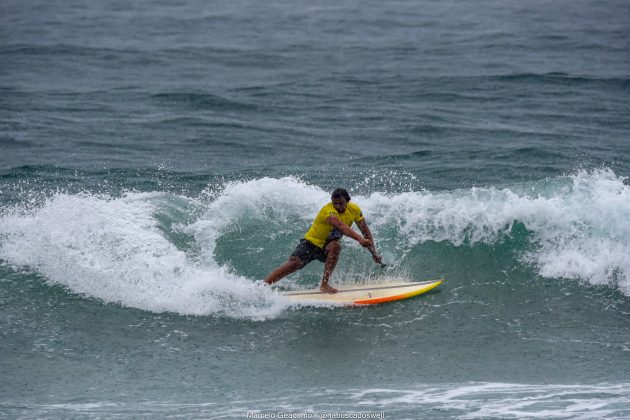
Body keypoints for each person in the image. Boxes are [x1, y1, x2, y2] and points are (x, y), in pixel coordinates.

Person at [264, 188, 382, 293]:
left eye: (341, 203)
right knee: (293, 264)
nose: (338, 206)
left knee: (335, 246)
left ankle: (324, 285)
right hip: (310, 244)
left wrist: (374, 254)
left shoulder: (354, 210)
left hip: (326, 247)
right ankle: (263, 287)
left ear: (347, 200)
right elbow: (341, 227)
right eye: (335, 203)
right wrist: (360, 239)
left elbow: (365, 231)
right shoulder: (329, 211)